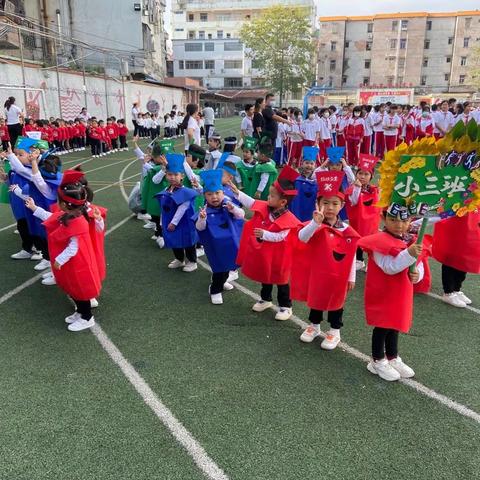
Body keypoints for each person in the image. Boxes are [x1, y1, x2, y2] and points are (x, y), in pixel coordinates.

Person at [25, 170, 105, 332]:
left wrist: (60, 259)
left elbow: (74, 246)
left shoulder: (78, 222)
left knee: (81, 292)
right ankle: (80, 312)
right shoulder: (67, 215)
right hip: (72, 264)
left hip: (78, 264)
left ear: (63, 204)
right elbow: (49, 217)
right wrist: (34, 208)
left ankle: (87, 317)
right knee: (74, 290)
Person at [292, 170, 359, 349]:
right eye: (325, 203)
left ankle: (335, 331)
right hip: (318, 272)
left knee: (336, 301)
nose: (330, 207)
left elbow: (351, 254)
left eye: (335, 203)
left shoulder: (346, 229)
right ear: (318, 204)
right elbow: (301, 238)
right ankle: (314, 326)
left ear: (342, 205)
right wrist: (315, 222)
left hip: (339, 273)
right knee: (317, 298)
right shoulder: (315, 224)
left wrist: (351, 276)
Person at [358, 203, 424, 381]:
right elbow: (389, 267)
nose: (399, 225)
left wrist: (417, 274)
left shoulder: (410, 240)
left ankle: (392, 357)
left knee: (394, 324)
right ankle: (377, 360)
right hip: (384, 292)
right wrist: (409, 253)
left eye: (404, 220)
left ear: (411, 220)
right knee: (383, 326)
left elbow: (418, 264)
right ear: (383, 218)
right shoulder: (379, 240)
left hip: (400, 291)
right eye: (393, 220)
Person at [233, 171, 300, 321]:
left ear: (283, 202)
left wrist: (264, 234)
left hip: (280, 256)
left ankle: (286, 306)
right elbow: (251, 202)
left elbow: (281, 236)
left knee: (281, 281)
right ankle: (266, 299)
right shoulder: (266, 208)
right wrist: (238, 193)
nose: (268, 197)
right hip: (267, 254)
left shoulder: (288, 218)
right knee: (266, 276)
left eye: (271, 196)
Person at [196, 169, 245, 304]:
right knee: (218, 270)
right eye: (210, 194)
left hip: (231, 243)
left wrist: (233, 209)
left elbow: (241, 215)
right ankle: (215, 289)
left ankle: (223, 281)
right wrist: (202, 219)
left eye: (217, 193)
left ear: (223, 193)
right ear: (205, 196)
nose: (214, 197)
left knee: (229, 266)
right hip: (215, 247)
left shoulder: (227, 204)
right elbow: (199, 228)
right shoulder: (204, 211)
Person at [156, 153, 199, 272]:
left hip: (184, 222)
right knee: (173, 239)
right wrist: (162, 221)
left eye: (175, 174)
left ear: (182, 176)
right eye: (170, 174)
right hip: (170, 220)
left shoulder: (185, 191)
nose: (172, 177)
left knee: (188, 241)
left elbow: (182, 208)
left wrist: (174, 222)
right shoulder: (166, 190)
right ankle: (179, 259)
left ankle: (192, 261)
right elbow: (163, 207)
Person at [432, 210, 480, 308]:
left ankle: (456, 289)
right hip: (456, 218)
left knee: (465, 255)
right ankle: (448, 292)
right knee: (451, 256)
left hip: (472, 219)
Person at [345, 154, 381, 270]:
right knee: (358, 241)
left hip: (372, 222)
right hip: (358, 222)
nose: (362, 176)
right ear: (356, 175)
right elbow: (354, 201)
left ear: (371, 176)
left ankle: (371, 262)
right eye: (360, 173)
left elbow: (380, 203)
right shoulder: (353, 188)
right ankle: (359, 260)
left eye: (366, 174)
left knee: (372, 243)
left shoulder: (375, 190)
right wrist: (357, 188)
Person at [290, 147, 318, 222]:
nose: (309, 165)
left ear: (315, 165)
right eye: (307, 163)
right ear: (302, 163)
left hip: (310, 207)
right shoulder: (297, 177)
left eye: (312, 163)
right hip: (297, 205)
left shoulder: (315, 179)